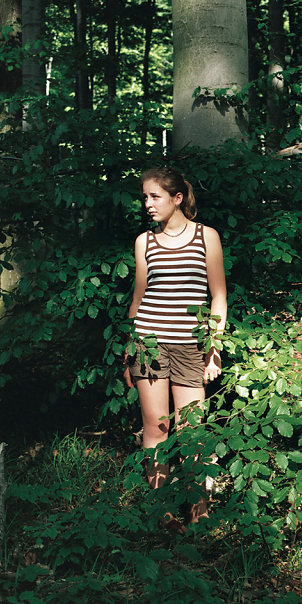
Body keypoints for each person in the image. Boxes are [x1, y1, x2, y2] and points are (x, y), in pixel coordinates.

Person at [124, 166, 227, 531]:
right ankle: (161, 510)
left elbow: (218, 296)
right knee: (155, 427)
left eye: (154, 197)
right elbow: (139, 298)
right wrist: (128, 349)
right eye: (145, 198)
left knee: (193, 430)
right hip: (148, 344)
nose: (148, 204)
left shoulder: (205, 237)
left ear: (177, 198)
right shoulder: (144, 242)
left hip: (190, 345)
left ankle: (201, 509)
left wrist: (213, 349)